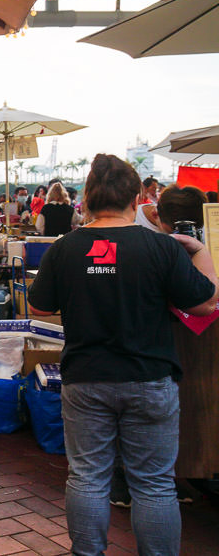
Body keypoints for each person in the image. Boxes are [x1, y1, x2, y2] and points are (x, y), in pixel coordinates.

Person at [28, 153, 217, 556]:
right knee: (153, 483)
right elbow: (205, 303)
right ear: (136, 198)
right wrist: (199, 252)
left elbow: (38, 308)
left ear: (89, 199)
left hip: (86, 379)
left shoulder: (65, 248)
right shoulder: (160, 248)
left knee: (87, 478)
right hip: (149, 378)